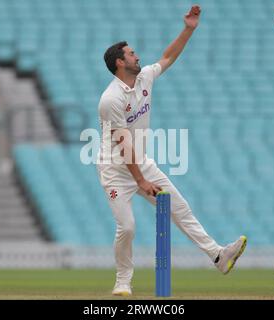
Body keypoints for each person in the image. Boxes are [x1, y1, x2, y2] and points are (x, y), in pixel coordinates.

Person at [96, 5, 247, 296]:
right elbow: (123, 145)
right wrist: (140, 181)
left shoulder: (144, 78)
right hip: (115, 169)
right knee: (127, 227)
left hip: (142, 163)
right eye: (131, 53)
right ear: (119, 62)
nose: (137, 56)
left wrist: (188, 29)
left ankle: (218, 256)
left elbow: (168, 56)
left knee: (180, 208)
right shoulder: (110, 99)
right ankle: (123, 281)